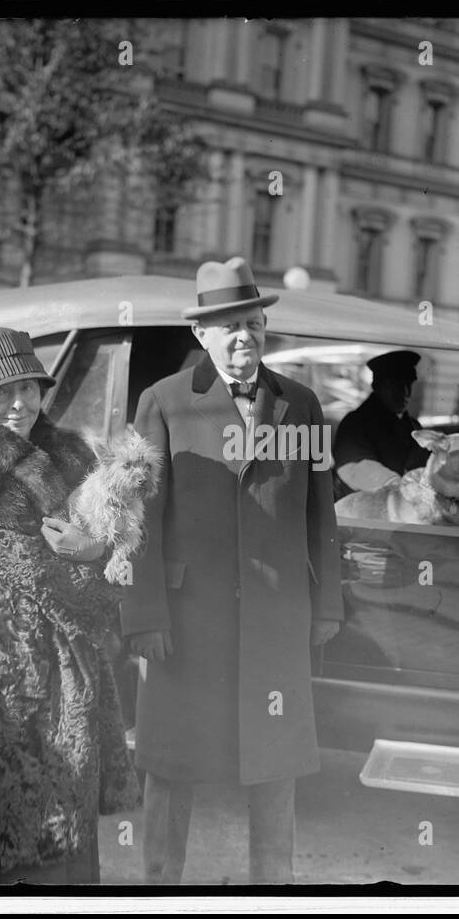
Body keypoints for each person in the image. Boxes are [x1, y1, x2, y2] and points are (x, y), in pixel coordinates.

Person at [122, 257, 343, 884]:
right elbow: (138, 517)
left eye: (252, 322)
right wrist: (143, 617)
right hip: (186, 626)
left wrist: (325, 606)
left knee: (275, 769)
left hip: (277, 621)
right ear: (201, 335)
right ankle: (159, 890)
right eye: (227, 326)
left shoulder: (300, 404)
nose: (243, 336)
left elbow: (318, 514)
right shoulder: (163, 402)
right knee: (171, 768)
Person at [0, 326, 140, 884]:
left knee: (64, 839)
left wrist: (105, 549)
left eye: (27, 388)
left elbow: (109, 540)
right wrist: (97, 561)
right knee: (4, 833)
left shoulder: (66, 451)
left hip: (64, 667)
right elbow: (40, 573)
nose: (17, 404)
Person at [332, 349, 428, 497]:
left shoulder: (414, 426)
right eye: (396, 385)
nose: (405, 392)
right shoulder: (355, 423)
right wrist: (398, 485)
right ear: (377, 386)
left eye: (408, 384)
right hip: (366, 511)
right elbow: (354, 466)